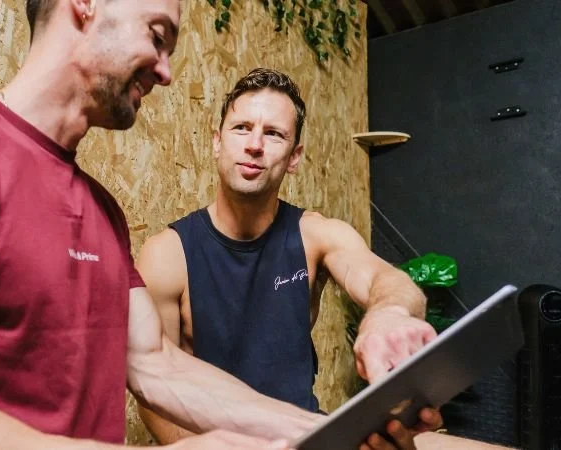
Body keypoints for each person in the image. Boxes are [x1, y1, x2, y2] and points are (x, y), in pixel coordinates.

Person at [0, 0, 440, 448]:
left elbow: (156, 365)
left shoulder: (101, 210)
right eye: (158, 36)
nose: (167, 70)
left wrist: (330, 432)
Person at [134, 67, 514, 450]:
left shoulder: (315, 235)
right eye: (241, 128)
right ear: (217, 142)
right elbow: (155, 394)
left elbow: (389, 282)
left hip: (312, 436)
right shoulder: (167, 254)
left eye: (274, 134)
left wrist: (387, 314)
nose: (254, 145)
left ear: (295, 156)